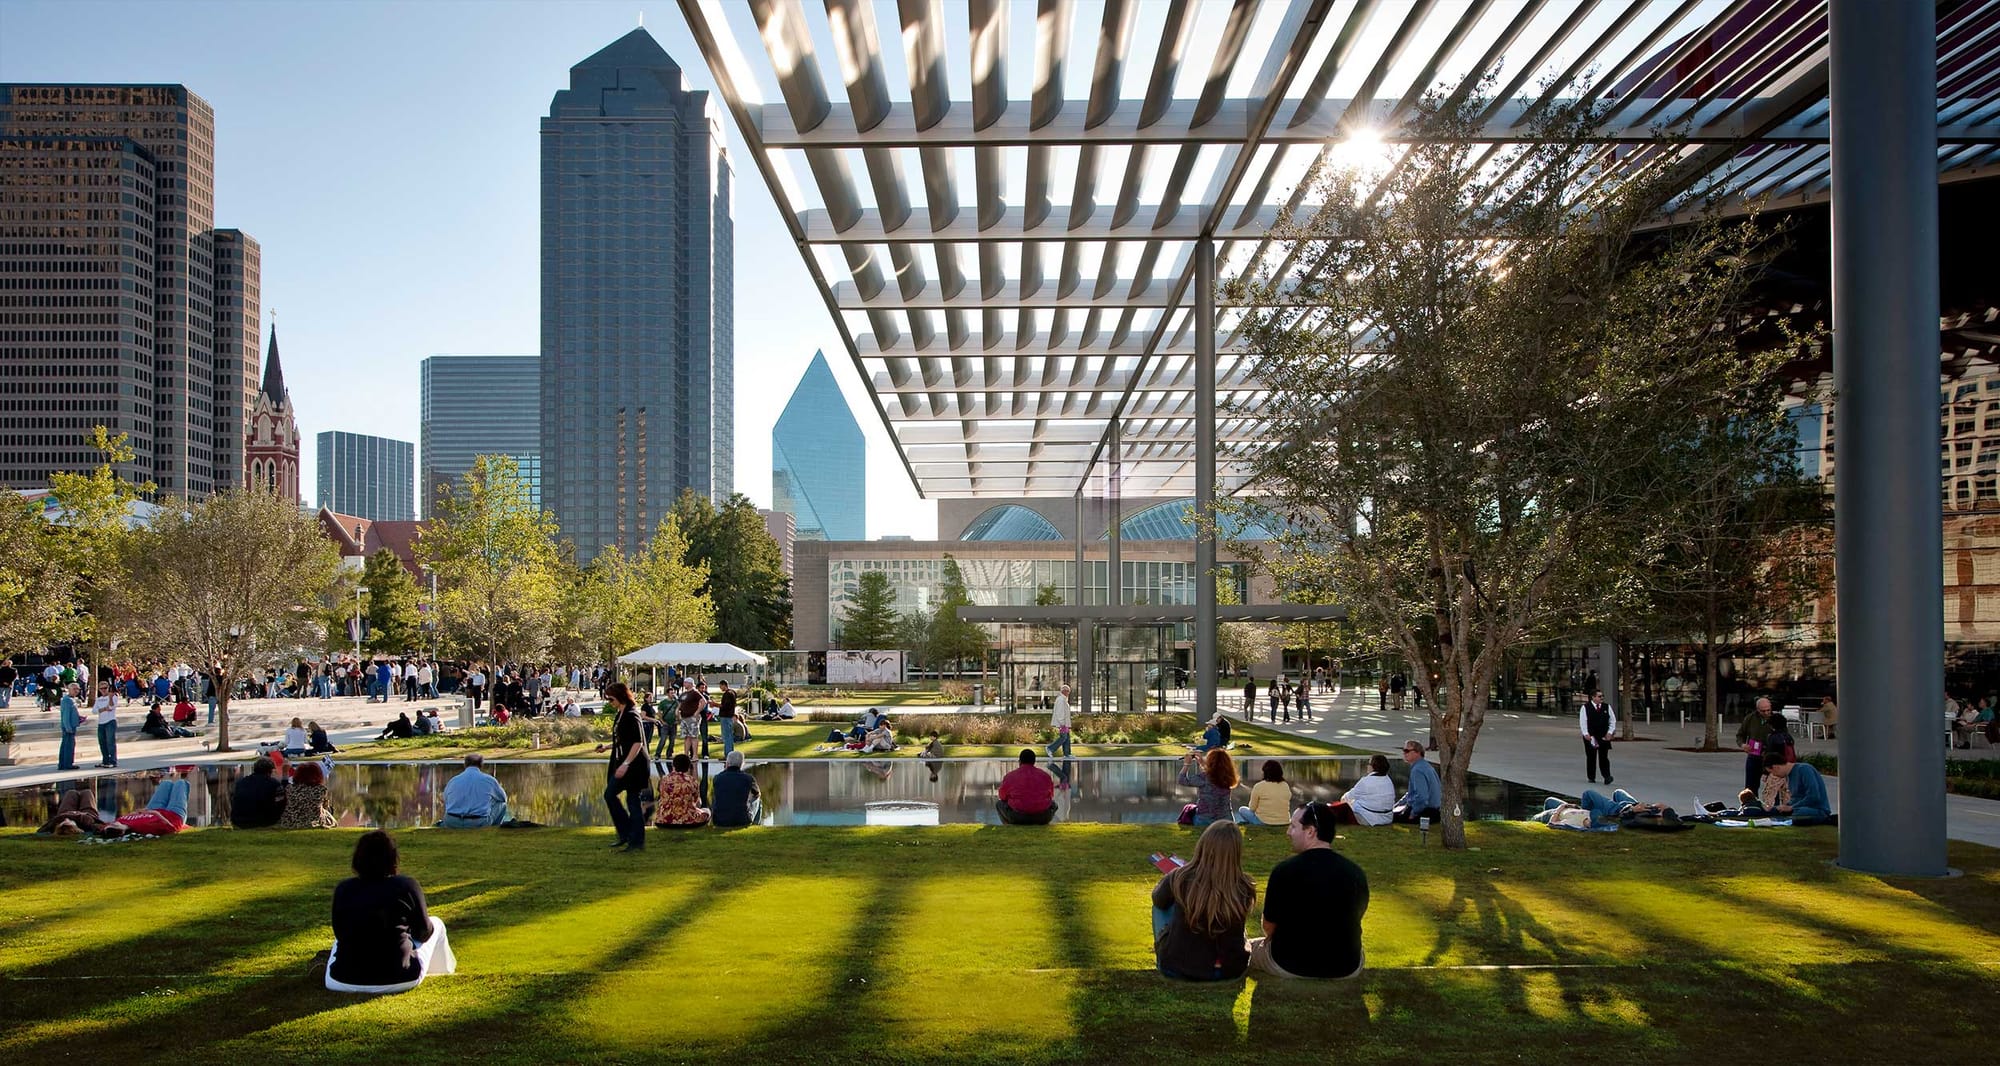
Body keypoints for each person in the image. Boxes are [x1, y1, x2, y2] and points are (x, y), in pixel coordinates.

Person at [1246, 801, 1369, 980]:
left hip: (1290, 964)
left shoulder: (1284, 871)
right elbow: (1356, 916)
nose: (1288, 832)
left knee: (1247, 948)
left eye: (1293, 826)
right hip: (1345, 966)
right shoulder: (1356, 873)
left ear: (1310, 831)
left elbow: (1268, 926)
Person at [327, 830, 457, 994]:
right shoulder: (406, 885)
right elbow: (425, 932)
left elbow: (340, 934)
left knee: (340, 941)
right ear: (392, 859)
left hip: (341, 980)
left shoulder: (343, 889)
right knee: (437, 924)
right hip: (400, 978)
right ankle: (444, 973)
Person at [1150, 821, 1256, 981]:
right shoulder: (1244, 886)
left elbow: (1158, 900)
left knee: (1161, 905)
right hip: (1227, 970)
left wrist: (1167, 882)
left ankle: (1172, 947)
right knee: (1232, 913)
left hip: (1177, 968)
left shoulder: (1180, 877)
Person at [603, 682, 650, 850]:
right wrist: (607, 747)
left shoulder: (632, 714)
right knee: (610, 795)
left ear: (620, 697)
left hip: (634, 765)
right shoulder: (620, 714)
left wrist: (626, 763)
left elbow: (637, 743)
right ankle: (625, 833)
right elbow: (622, 739)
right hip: (622, 761)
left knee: (632, 800)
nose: (609, 702)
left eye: (611, 699)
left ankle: (635, 840)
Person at [1761, 749, 1835, 825]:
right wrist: (1780, 807)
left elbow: (1814, 796)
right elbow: (1796, 799)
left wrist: (1792, 808)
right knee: (1773, 811)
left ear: (1776, 767)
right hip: (1799, 808)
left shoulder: (1804, 769)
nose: (1774, 775)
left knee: (1799, 813)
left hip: (1816, 809)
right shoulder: (1789, 776)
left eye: (1772, 772)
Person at [1532, 788, 1669, 828]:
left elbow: (1552, 823)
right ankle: (1584, 810)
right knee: (1618, 792)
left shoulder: (1644, 818)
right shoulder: (1652, 812)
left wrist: (1561, 809)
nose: (1658, 805)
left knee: (1550, 802)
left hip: (1616, 810)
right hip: (1580, 811)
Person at [441, 753, 509, 828]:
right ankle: (494, 827)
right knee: (502, 804)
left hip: (451, 822)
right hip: (478, 823)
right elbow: (503, 798)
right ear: (481, 765)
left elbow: (445, 799)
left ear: (465, 764)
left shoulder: (453, 780)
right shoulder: (489, 780)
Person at [112, 772, 191, 836]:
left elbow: (134, 814)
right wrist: (154, 813)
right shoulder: (143, 828)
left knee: (166, 783)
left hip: (153, 808)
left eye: (112, 824)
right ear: (122, 831)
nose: (115, 824)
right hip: (173, 815)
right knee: (180, 783)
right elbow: (172, 829)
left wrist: (138, 812)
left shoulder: (120, 821)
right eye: (115, 826)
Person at [1179, 748, 1239, 828]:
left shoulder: (1204, 777)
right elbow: (1214, 773)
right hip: (1226, 820)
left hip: (1205, 820)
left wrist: (1187, 764)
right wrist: (1201, 763)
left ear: (1210, 762)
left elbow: (1182, 780)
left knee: (1189, 809)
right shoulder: (1228, 777)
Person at [1331, 755, 1397, 827]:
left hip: (1368, 819)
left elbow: (1346, 798)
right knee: (1352, 802)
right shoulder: (1388, 780)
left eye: (1369, 764)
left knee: (1339, 809)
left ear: (1373, 766)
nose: (1367, 766)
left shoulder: (1365, 781)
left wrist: (1343, 799)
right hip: (1387, 818)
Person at [997, 748, 1056, 825]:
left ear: (1020, 761)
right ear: (1034, 761)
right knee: (1053, 804)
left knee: (999, 804)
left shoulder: (1010, 776)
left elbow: (1002, 796)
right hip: (1042, 816)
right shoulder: (1045, 776)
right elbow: (1051, 795)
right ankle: (1043, 824)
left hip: (1018, 816)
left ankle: (1008, 825)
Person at [1736, 697, 1782, 793]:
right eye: (1763, 711)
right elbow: (1740, 735)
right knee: (1750, 787)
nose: (1766, 713)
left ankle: (1774, 807)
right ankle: (1751, 806)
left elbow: (1783, 737)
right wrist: (1743, 745)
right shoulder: (1750, 718)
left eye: (1768, 710)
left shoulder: (1777, 719)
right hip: (1754, 756)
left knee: (1773, 788)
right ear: (1757, 710)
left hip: (1771, 758)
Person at [1391, 740, 1441, 824]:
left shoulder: (1417, 770)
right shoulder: (1425, 766)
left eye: (1407, 751)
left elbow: (1422, 797)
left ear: (1417, 753)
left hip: (1426, 812)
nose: (1404, 753)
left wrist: (1413, 813)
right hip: (1434, 811)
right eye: (1403, 750)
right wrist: (1397, 805)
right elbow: (1412, 793)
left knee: (1388, 818)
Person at [653, 753, 710, 828]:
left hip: (663, 820)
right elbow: (697, 802)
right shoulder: (691, 781)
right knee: (707, 811)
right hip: (686, 821)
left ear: (674, 765)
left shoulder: (664, 780)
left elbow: (661, 796)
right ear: (688, 767)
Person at [230, 756, 287, 828]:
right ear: (270, 770)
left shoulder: (241, 782)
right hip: (263, 821)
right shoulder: (274, 784)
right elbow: (281, 803)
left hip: (238, 820)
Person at [278, 760, 338, 829]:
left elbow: (284, 785)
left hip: (290, 821)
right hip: (311, 822)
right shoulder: (320, 790)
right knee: (329, 813)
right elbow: (324, 806)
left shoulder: (290, 788)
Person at [711, 750, 762, 828]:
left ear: (727, 763)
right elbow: (757, 794)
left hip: (719, 820)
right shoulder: (748, 778)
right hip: (742, 820)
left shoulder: (717, 778)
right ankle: (756, 825)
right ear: (742, 764)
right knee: (758, 800)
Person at [1236, 759, 1292, 827]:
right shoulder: (1285, 785)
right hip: (1284, 821)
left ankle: (1255, 822)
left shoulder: (1259, 786)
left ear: (1265, 772)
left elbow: (1252, 808)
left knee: (1242, 809)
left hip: (1264, 822)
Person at [1579, 688, 1616, 785]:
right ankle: (1591, 776)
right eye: (1599, 696)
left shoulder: (1606, 707)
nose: (1601, 698)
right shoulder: (1585, 708)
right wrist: (1585, 733)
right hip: (1591, 736)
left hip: (1603, 735)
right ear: (1593, 697)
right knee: (1591, 756)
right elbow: (1583, 721)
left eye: (1602, 696)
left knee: (1604, 757)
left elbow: (1612, 720)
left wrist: (1610, 732)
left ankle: (1607, 776)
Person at [39, 786, 107, 835]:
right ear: (75, 827)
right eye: (69, 822)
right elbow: (99, 828)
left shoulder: (56, 821)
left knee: (71, 792)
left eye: (63, 822)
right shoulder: (87, 824)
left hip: (66, 811)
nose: (66, 819)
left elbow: (41, 830)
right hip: (88, 813)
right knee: (87, 792)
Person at [675, 679, 705, 763]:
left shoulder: (695, 693)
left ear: (690, 683)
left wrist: (697, 712)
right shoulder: (683, 694)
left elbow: (703, 702)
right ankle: (686, 754)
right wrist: (677, 710)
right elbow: (680, 703)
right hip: (684, 717)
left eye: (685, 682)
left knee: (693, 736)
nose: (684, 684)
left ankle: (695, 755)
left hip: (692, 717)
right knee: (686, 737)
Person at [57, 683, 85, 771]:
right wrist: (68, 727)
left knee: (67, 744)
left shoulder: (72, 699)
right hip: (68, 727)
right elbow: (66, 715)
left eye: (78, 689)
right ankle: (67, 764)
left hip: (71, 725)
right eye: (74, 689)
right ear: (69, 689)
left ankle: (64, 764)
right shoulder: (67, 700)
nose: (76, 691)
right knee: (68, 745)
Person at [92, 681, 119, 768]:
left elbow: (111, 707)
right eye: (101, 688)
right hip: (101, 722)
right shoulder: (98, 699)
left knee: (110, 742)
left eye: (105, 688)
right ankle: (105, 760)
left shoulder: (113, 697)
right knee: (102, 742)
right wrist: (104, 709)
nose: (103, 690)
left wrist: (110, 698)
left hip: (110, 721)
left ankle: (113, 761)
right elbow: (94, 711)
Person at [1047, 683, 1073, 759]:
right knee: (1063, 737)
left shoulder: (1063, 699)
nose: (1068, 693)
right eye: (1068, 691)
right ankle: (1050, 748)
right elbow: (1060, 712)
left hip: (1065, 723)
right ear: (1064, 691)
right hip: (1063, 723)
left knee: (1067, 737)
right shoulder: (1061, 700)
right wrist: (1062, 723)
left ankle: (1067, 754)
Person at [716, 679, 739, 759]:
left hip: (726, 716)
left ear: (724, 685)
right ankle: (729, 754)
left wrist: (715, 704)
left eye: (720, 686)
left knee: (727, 736)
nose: (720, 688)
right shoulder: (732, 692)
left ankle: (728, 754)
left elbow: (725, 706)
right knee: (728, 736)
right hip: (729, 716)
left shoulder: (728, 694)